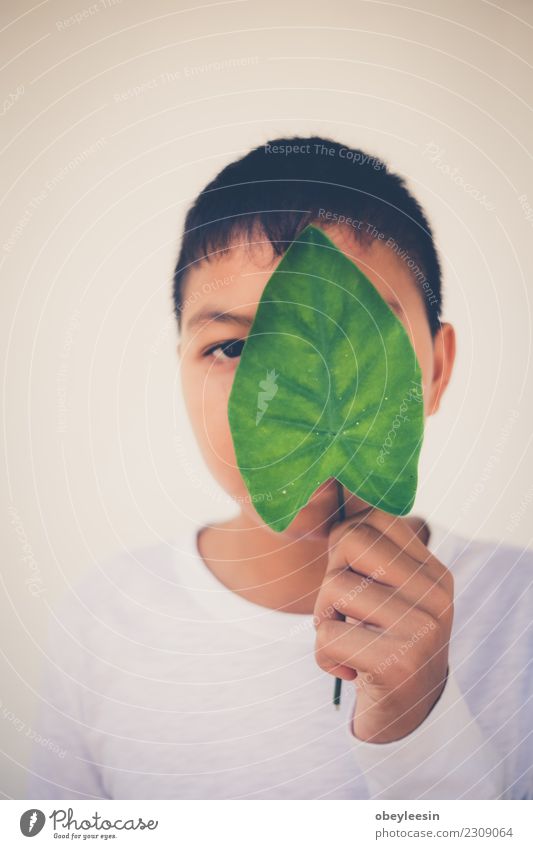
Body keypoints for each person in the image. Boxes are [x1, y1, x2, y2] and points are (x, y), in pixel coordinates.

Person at [28, 137, 532, 800]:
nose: (280, 390)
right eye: (233, 345)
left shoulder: (516, 616)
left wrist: (417, 728)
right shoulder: (104, 621)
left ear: (434, 369)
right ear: (176, 366)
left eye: (348, 337)